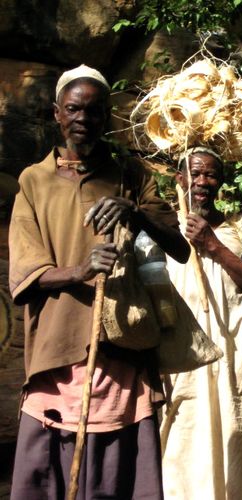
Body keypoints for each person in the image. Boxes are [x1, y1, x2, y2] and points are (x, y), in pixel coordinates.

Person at [8, 64, 190, 500]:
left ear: (107, 116)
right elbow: (26, 277)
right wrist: (81, 270)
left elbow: (180, 247)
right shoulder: (33, 182)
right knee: (47, 477)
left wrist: (134, 212)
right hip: (57, 347)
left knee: (117, 477)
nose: (83, 120)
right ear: (56, 113)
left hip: (122, 348)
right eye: (73, 110)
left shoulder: (132, 175)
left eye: (94, 112)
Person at [161, 147, 242, 500]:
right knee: (177, 455)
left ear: (220, 181)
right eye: (194, 173)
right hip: (178, 368)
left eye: (210, 174)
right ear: (179, 179)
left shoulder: (241, 230)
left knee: (232, 449)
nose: (202, 182)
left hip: (230, 366)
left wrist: (213, 245)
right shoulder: (164, 231)